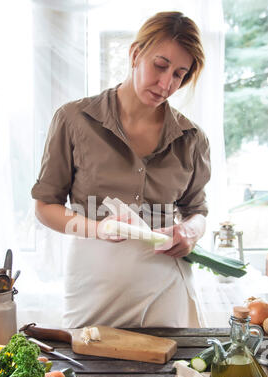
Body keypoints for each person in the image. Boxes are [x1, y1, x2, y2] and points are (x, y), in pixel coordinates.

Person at [31, 11, 211, 329]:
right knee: (86, 375)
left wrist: (189, 233)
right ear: (135, 53)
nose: (166, 83)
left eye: (179, 74)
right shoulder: (74, 120)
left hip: (165, 289)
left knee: (167, 376)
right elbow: (46, 207)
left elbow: (197, 212)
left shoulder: (192, 139)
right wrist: (98, 229)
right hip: (92, 288)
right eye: (160, 65)